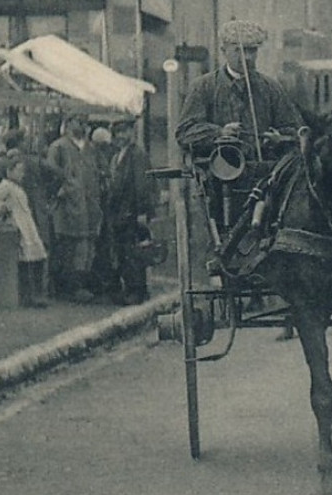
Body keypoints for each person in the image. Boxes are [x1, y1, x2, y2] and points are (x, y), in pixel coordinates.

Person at [175, 20, 305, 172]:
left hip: (265, 176)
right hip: (218, 176)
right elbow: (184, 133)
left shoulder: (271, 88)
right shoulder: (203, 87)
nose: (247, 57)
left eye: (252, 51)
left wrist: (279, 138)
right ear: (224, 51)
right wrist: (219, 132)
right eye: (239, 50)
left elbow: (296, 131)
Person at [92, 123, 156, 306]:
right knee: (122, 252)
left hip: (132, 211)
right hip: (118, 213)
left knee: (134, 251)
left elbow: (143, 186)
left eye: (123, 131)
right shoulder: (116, 157)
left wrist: (143, 212)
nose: (120, 136)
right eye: (117, 132)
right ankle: (128, 288)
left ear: (131, 132)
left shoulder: (137, 155)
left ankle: (138, 290)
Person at [45, 116, 103, 301]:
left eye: (85, 122)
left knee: (85, 248)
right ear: (68, 123)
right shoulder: (59, 147)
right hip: (67, 206)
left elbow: (101, 170)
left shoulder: (90, 148)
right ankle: (65, 288)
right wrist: (61, 189)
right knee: (66, 247)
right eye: (78, 121)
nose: (82, 125)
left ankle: (80, 286)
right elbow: (50, 173)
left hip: (89, 206)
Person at [0, 157, 50, 308]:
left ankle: (36, 295)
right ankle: (27, 297)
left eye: (23, 171)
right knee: (25, 260)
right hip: (19, 225)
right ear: (9, 171)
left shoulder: (18, 188)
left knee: (36, 257)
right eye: (19, 170)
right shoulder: (5, 186)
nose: (22, 174)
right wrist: (1, 209)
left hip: (27, 224)